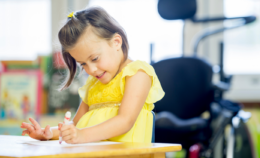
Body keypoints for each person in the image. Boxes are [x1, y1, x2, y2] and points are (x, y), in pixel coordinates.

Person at [20, 6, 165, 144]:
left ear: (116, 42)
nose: (91, 70)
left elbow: (125, 121)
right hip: (91, 154)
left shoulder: (137, 73)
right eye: (82, 64)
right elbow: (75, 125)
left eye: (95, 59)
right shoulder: (93, 84)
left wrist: (82, 135)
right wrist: (49, 134)